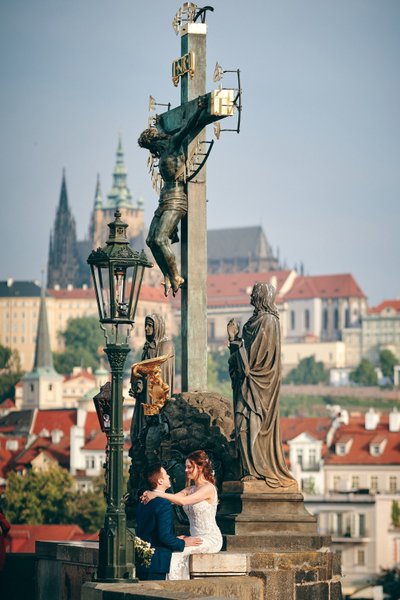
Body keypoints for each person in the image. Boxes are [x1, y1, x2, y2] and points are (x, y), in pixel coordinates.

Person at [227, 282, 297, 489]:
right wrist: (236, 343)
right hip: (249, 386)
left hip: (259, 387)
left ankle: (257, 471)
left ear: (262, 298)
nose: (250, 300)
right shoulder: (256, 322)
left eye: (254, 295)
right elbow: (244, 364)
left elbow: (249, 367)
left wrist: (235, 340)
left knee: (247, 426)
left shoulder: (267, 322)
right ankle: (249, 469)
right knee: (241, 426)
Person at [138, 97, 207, 296]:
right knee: (151, 240)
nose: (153, 152)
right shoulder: (161, 149)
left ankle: (176, 275)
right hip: (164, 200)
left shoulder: (173, 144)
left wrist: (199, 109)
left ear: (157, 139)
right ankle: (167, 274)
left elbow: (187, 127)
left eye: (152, 146)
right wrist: (159, 122)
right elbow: (160, 127)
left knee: (160, 240)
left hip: (176, 198)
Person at [141, 450, 223, 580]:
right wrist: (149, 493)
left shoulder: (209, 488)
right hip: (194, 537)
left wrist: (156, 494)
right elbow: (173, 498)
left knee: (178, 554)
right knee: (173, 551)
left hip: (210, 538)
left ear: (200, 467)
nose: (186, 470)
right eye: (186, 466)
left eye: (189, 467)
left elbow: (182, 501)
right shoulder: (189, 490)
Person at [135, 463, 202, 580]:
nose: (169, 476)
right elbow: (164, 536)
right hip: (157, 562)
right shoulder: (163, 503)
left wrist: (176, 538)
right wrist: (184, 543)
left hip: (142, 561)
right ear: (160, 481)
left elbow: (151, 531)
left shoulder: (143, 502)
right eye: (166, 475)